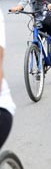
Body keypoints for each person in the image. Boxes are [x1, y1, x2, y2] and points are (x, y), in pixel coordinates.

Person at [0, 8, 16, 148]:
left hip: (1, 108)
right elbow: (25, 2)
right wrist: (18, 8)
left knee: (48, 23)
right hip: (37, 20)